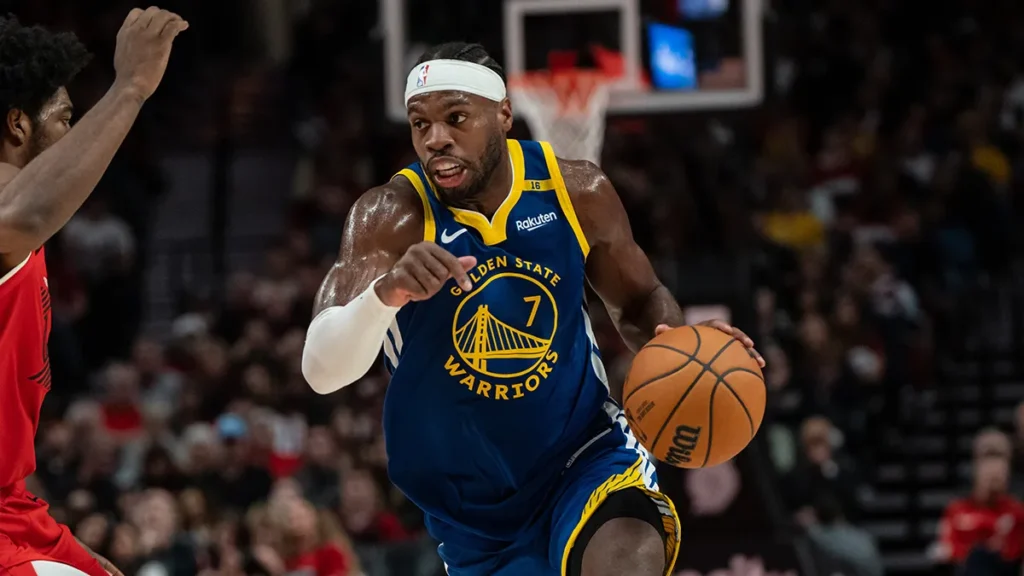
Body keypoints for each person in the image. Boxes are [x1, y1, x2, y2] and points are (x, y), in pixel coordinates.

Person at [301, 42, 765, 576]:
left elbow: (640, 300)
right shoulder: (390, 217)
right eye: (420, 123)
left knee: (628, 556)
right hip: (469, 508)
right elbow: (321, 372)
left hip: (583, 456)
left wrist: (686, 350)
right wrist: (385, 295)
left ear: (503, 115)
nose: (435, 138)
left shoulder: (577, 191)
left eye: (456, 118)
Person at [0, 8, 187, 576]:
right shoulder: (15, 216)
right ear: (17, 126)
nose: (74, 135)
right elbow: (20, 213)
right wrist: (130, 87)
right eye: (64, 119)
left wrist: (66, 549)